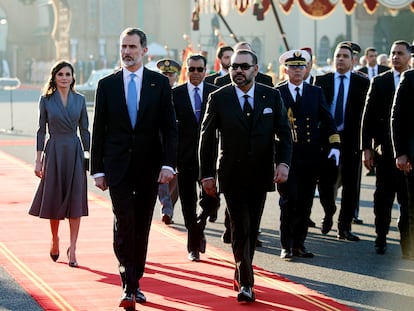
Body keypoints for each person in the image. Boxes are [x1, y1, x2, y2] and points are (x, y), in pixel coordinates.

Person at [90, 27, 177, 310]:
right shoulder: (107, 84)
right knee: (123, 222)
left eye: (132, 47)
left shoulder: (159, 83)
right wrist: (97, 170)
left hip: (149, 167)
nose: (126, 52)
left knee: (141, 225)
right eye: (123, 46)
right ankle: (129, 284)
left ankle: (135, 279)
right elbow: (99, 130)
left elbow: (169, 129)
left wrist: (167, 165)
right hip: (117, 169)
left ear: (144, 51)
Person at [199, 49, 292, 302]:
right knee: (240, 226)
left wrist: (283, 164)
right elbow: (206, 140)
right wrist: (206, 175)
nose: (238, 70)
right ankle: (247, 284)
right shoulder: (219, 97)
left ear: (255, 69)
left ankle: (241, 271)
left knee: (252, 229)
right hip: (231, 173)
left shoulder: (271, 96)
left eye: (243, 66)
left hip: (261, 173)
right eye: (233, 67)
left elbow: (285, 133)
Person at [276, 50, 340, 259]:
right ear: (286, 69)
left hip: (311, 156)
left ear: (306, 69)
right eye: (293, 67)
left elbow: (327, 120)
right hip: (287, 158)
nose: (297, 70)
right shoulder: (277, 93)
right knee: (289, 201)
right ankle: (286, 244)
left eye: (301, 66)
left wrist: (334, 146)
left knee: (305, 202)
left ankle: (299, 244)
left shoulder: (315, 92)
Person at [29, 60, 90, 269]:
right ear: (54, 77)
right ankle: (55, 238)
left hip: (74, 152)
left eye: (68, 74)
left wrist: (90, 157)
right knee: (54, 199)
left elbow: (85, 131)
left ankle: (73, 248)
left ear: (73, 77)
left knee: (75, 200)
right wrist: (38, 160)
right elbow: (40, 131)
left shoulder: (80, 100)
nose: (64, 77)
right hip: (53, 151)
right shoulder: (45, 100)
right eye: (60, 74)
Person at [314, 42, 370, 241]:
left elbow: (367, 116)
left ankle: (344, 227)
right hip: (327, 139)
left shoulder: (362, 83)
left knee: (350, 184)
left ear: (353, 61)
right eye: (338, 56)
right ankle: (329, 212)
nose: (340, 59)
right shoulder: (321, 80)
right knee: (326, 183)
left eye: (345, 56)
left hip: (351, 140)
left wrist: (366, 146)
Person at [361, 40, 411, 255]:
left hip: (408, 152)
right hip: (385, 151)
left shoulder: (412, 80)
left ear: (409, 57)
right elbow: (368, 117)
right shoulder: (380, 82)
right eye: (393, 53)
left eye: (400, 53)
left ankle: (406, 244)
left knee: (407, 200)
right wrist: (366, 148)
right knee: (383, 197)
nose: (395, 57)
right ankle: (380, 237)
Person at [172, 54, 218, 262]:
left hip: (209, 157)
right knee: (188, 202)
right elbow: (169, 129)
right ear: (186, 70)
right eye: (192, 69)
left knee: (210, 200)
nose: (196, 73)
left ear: (206, 71)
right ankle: (193, 244)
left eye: (200, 69)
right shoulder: (176, 94)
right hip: (184, 157)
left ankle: (199, 227)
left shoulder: (214, 93)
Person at [391, 68, 414, 260]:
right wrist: (401, 153)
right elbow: (396, 117)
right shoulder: (410, 77)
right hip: (412, 156)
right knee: (411, 205)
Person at [155, 58, 181, 224]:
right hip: (158, 141)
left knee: (176, 178)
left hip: (177, 141)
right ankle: (167, 208)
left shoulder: (180, 94)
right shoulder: (154, 92)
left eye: (170, 74)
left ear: (176, 76)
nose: (167, 77)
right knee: (161, 177)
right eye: (164, 73)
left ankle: (169, 205)